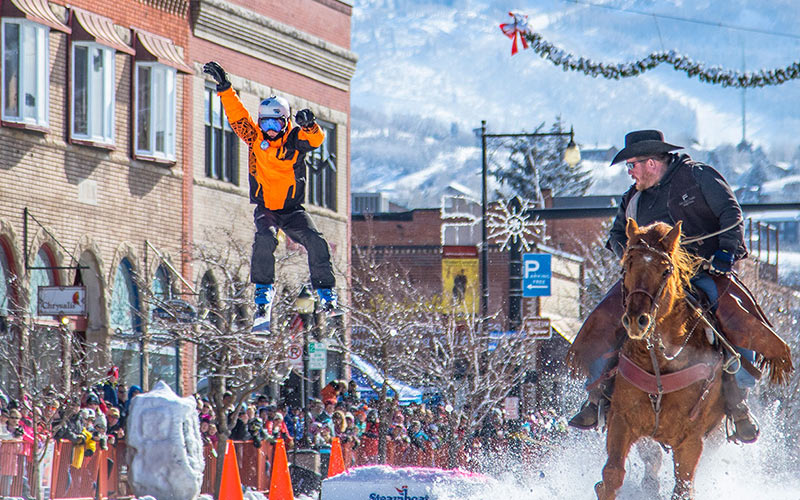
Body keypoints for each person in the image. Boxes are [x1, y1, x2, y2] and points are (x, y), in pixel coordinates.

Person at [566, 129, 792, 444]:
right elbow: (617, 236)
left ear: (651, 162)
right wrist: (634, 263)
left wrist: (726, 253)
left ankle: (738, 399)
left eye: (633, 164)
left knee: (734, 315)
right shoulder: (632, 197)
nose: (630, 172)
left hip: (704, 271)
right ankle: (596, 396)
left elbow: (730, 214)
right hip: (647, 281)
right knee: (603, 318)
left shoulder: (698, 176)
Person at [202, 61, 342, 334]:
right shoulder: (254, 138)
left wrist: (310, 124)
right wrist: (225, 88)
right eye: (265, 122)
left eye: (276, 122)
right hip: (267, 207)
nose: (270, 128)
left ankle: (326, 292)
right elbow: (237, 116)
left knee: (315, 240)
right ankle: (263, 296)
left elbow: (315, 140)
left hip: (292, 210)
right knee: (265, 238)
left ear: (285, 122)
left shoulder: (294, 140)